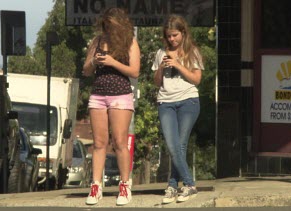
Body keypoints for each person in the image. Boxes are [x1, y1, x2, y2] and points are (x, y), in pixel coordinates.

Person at [82, 7, 140, 206]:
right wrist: (94, 61)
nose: (107, 30)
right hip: (98, 95)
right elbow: (86, 70)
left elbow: (134, 71)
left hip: (120, 95)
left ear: (120, 25)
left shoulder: (130, 42)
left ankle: (124, 185)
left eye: (111, 26)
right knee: (99, 143)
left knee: (119, 142)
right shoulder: (97, 41)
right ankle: (96, 186)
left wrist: (112, 61)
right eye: (105, 26)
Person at [151, 15, 204, 204]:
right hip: (166, 102)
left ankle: (174, 186)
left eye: (175, 35)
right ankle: (186, 184)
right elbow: (157, 82)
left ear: (183, 33)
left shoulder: (192, 52)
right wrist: (161, 67)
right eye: (168, 36)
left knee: (179, 146)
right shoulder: (160, 53)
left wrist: (178, 64)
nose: (172, 39)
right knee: (172, 146)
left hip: (188, 101)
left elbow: (197, 79)